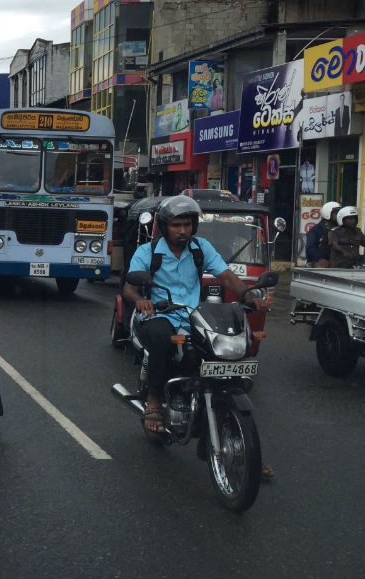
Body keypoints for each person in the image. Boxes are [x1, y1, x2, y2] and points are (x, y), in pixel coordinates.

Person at [122, 195, 273, 478]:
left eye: (187, 225)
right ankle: (154, 400)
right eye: (176, 225)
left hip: (192, 317)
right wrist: (141, 301)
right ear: (165, 226)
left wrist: (248, 294)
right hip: (158, 315)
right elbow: (129, 287)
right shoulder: (148, 251)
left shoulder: (200, 248)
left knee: (222, 355)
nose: (182, 230)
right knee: (159, 336)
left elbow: (226, 276)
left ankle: (245, 450)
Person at [306, 201, 341, 267]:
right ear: (327, 213)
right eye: (336, 213)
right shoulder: (315, 230)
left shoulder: (342, 229)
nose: (339, 216)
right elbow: (310, 248)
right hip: (320, 263)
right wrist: (320, 259)